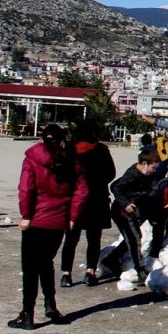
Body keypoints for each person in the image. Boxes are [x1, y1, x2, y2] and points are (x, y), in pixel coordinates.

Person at [9, 124, 88, 329]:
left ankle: (27, 314)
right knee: (46, 263)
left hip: (36, 220)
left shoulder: (32, 160)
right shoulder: (71, 161)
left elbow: (25, 189)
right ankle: (50, 304)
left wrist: (26, 215)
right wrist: (72, 216)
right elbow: (82, 191)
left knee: (30, 268)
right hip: (58, 221)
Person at [59, 121, 116, 287]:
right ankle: (90, 272)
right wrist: (97, 183)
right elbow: (111, 173)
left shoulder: (69, 150)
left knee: (70, 239)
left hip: (74, 199)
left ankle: (66, 274)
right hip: (97, 199)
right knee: (94, 238)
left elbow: (62, 174)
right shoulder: (101, 150)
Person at [101, 149, 162, 285]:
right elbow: (115, 186)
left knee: (133, 238)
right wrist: (125, 203)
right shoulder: (132, 174)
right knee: (134, 239)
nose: (154, 170)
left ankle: (111, 260)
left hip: (132, 211)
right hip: (121, 211)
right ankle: (139, 270)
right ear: (144, 163)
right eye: (153, 167)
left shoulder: (145, 174)